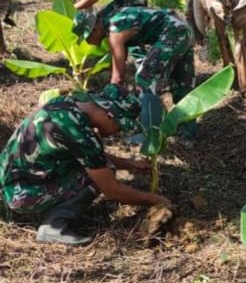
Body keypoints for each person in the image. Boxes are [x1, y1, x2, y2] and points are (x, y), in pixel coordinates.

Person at [0, 84, 172, 245]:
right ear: (109, 115)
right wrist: (155, 199)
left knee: (97, 166)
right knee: (99, 175)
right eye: (119, 127)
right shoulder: (79, 132)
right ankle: (53, 227)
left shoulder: (66, 105)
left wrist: (129, 164)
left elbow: (85, 154)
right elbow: (112, 190)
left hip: (13, 181)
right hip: (20, 194)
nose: (117, 132)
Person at [72, 6, 197, 145]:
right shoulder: (116, 18)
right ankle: (189, 135)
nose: (87, 42)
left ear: (94, 28)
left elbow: (118, 77)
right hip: (182, 28)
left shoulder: (115, 31)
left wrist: (107, 103)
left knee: (145, 78)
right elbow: (120, 61)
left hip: (173, 32)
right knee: (183, 85)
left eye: (87, 36)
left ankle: (148, 135)